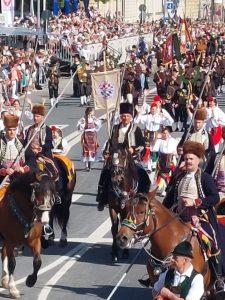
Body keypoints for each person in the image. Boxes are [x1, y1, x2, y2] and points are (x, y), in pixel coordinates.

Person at [163, 141, 223, 285]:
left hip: (199, 218)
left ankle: (218, 277)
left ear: (198, 160)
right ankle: (161, 274)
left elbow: (214, 197)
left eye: (191, 159)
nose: (188, 161)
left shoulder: (205, 178)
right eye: (186, 158)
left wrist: (196, 202)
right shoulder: (179, 178)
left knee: (211, 242)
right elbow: (169, 200)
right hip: (178, 217)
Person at [96, 102, 150, 211]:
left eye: (127, 116)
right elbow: (110, 142)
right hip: (116, 158)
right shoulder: (115, 128)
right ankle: (102, 198)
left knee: (143, 175)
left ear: (131, 117)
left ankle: (144, 197)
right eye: (123, 116)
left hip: (131, 159)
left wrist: (134, 149)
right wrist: (106, 152)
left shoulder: (136, 129)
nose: (125, 118)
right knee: (105, 172)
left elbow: (142, 145)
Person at [178, 107, 216, 174]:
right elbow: (180, 145)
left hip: (201, 165)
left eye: (199, 122)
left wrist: (205, 158)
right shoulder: (188, 133)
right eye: (195, 122)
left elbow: (211, 152)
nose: (197, 125)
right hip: (187, 162)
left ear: (203, 122)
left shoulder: (207, 136)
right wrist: (180, 149)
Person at [0, 114, 29, 185]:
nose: (12, 132)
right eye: (10, 130)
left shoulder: (23, 142)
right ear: (5, 129)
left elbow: (31, 158)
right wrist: (4, 170)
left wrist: (24, 168)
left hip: (19, 178)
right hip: (2, 179)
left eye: (14, 130)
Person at [25, 104, 53, 169]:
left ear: (42, 117)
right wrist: (30, 149)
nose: (35, 118)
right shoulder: (30, 129)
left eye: (38, 116)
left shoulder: (47, 129)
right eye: (34, 116)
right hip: (30, 154)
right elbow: (25, 142)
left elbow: (49, 144)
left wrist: (40, 148)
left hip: (43, 154)